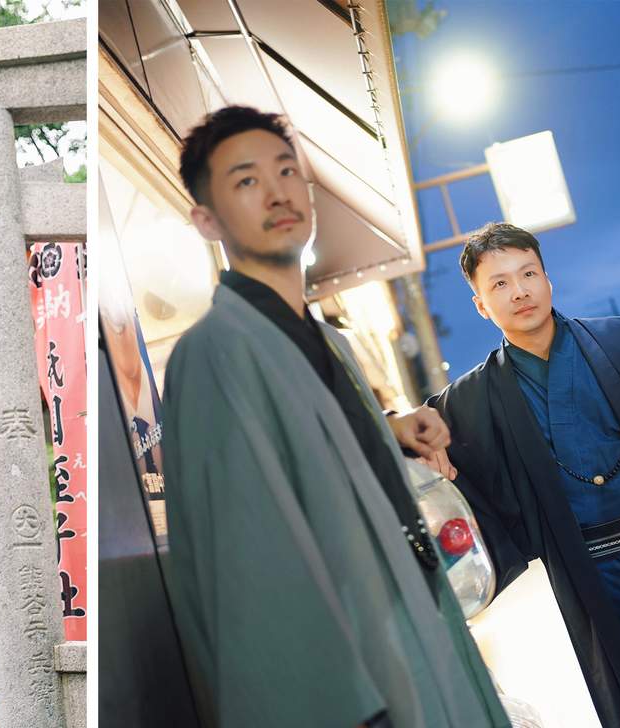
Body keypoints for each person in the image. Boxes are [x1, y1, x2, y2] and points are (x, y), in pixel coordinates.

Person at [161, 105, 508, 728]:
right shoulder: (211, 353)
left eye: (288, 171)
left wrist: (391, 429)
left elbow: (318, 445)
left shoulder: (331, 344)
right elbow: (246, 566)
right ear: (206, 220)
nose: (277, 192)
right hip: (346, 674)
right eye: (245, 180)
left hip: (411, 612)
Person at [426, 222, 620, 727]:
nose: (520, 290)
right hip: (601, 581)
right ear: (481, 305)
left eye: (529, 273)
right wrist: (429, 455)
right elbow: (439, 459)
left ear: (549, 279)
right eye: (500, 283)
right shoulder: (468, 400)